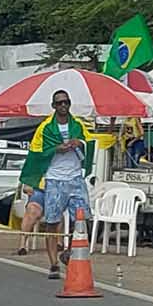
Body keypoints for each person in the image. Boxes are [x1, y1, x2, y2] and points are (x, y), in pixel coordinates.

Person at [27, 90, 95, 279]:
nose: (63, 106)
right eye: (59, 103)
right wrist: (56, 148)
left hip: (75, 178)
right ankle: (53, 263)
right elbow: (37, 151)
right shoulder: (46, 127)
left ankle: (70, 251)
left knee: (83, 219)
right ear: (54, 106)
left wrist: (79, 143)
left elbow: (89, 141)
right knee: (52, 222)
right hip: (55, 179)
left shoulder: (78, 124)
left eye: (66, 102)